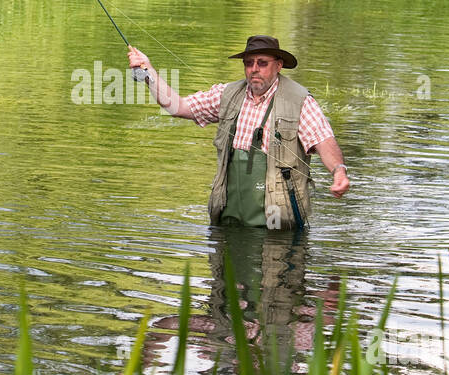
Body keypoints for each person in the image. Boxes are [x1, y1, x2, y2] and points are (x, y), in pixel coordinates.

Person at [127, 34, 350, 231]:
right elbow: (178, 107)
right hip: (229, 218)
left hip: (277, 224)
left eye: (262, 63)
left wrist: (338, 173)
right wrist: (148, 73)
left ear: (279, 65)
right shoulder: (227, 94)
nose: (254, 68)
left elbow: (323, 140)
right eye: (249, 63)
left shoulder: (299, 101)